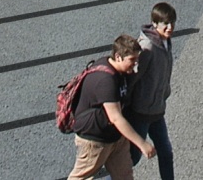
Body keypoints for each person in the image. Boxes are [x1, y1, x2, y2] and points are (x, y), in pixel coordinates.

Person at [67, 34, 156, 180]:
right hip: (95, 140)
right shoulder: (106, 81)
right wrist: (142, 144)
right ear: (118, 57)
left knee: (125, 176)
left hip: (115, 137)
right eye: (132, 60)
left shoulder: (118, 71)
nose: (135, 65)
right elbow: (115, 117)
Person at [125, 3, 176, 180]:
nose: (170, 28)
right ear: (154, 23)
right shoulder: (147, 48)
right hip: (141, 112)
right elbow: (133, 78)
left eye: (172, 23)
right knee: (132, 158)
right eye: (165, 24)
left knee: (166, 153)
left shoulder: (165, 41)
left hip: (156, 110)